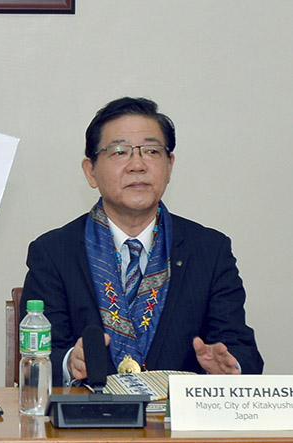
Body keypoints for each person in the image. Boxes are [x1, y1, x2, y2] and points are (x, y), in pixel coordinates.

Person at [21, 97, 262, 387]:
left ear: (169, 166)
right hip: (88, 425)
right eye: (119, 152)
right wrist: (70, 361)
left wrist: (229, 365)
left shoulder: (209, 250)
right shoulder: (54, 252)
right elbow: (38, 360)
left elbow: (242, 351)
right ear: (90, 171)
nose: (138, 165)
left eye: (151, 151)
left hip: (179, 427)